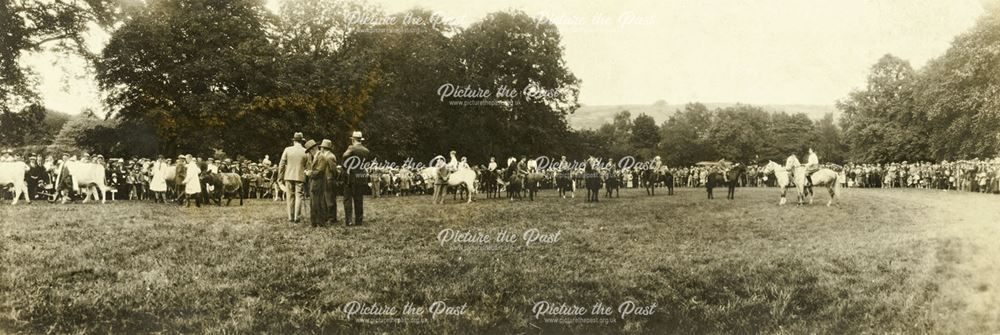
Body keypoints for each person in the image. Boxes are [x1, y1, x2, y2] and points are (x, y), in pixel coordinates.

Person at [278, 132, 311, 223]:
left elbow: (281, 164)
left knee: (290, 197)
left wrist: (280, 177)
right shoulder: (306, 152)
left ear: (294, 141)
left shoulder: (287, 150)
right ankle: (297, 217)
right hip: (300, 176)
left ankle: (290, 217)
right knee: (298, 196)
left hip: (288, 176)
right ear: (302, 141)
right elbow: (308, 167)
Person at [342, 131, 370, 226]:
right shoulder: (366, 151)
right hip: (361, 177)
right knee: (359, 199)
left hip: (350, 177)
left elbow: (344, 158)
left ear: (353, 139)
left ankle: (349, 220)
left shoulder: (351, 148)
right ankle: (359, 220)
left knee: (348, 199)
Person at [306, 139, 333, 227]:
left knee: (318, 203)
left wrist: (309, 173)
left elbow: (320, 171)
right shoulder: (316, 157)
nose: (309, 153)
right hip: (315, 182)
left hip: (319, 183)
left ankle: (320, 222)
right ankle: (315, 222)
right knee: (314, 202)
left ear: (313, 149)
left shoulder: (321, 157)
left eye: (310, 151)